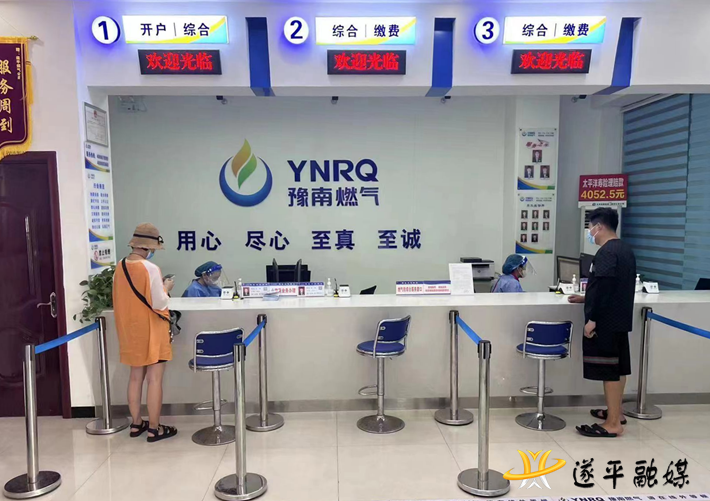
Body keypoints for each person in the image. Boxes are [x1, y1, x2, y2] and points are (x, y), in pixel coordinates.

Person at [568, 207, 636, 438]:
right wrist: (586, 297)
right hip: (620, 320)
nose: (590, 233)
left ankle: (613, 423)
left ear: (599, 227)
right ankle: (617, 412)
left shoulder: (606, 252)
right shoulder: (625, 249)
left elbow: (605, 288)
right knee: (618, 368)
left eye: (590, 228)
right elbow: (613, 286)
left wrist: (593, 319)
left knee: (609, 371)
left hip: (606, 322)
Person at [113, 223, 178, 442]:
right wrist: (166, 288)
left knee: (135, 377)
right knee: (154, 380)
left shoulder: (120, 266)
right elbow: (159, 302)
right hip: (152, 328)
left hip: (129, 329)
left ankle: (136, 423)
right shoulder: (150, 268)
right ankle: (154, 428)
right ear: (149, 247)